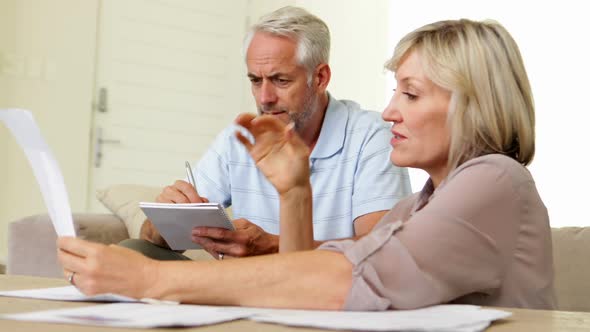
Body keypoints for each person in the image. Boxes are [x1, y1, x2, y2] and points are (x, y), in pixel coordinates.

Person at [58, 18, 556, 311]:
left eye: (410, 93)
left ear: (471, 102)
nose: (390, 111)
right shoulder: (421, 204)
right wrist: (296, 193)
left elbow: (350, 280)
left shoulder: (494, 179)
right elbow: (317, 284)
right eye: (394, 92)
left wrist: (152, 281)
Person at [124, 6, 412, 260]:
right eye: (255, 80)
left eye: (280, 80)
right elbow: (155, 239)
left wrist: (274, 247)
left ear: (320, 77)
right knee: (133, 251)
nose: (264, 98)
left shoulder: (370, 136)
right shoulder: (239, 139)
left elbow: (379, 249)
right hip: (247, 287)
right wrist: (164, 221)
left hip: (325, 287)